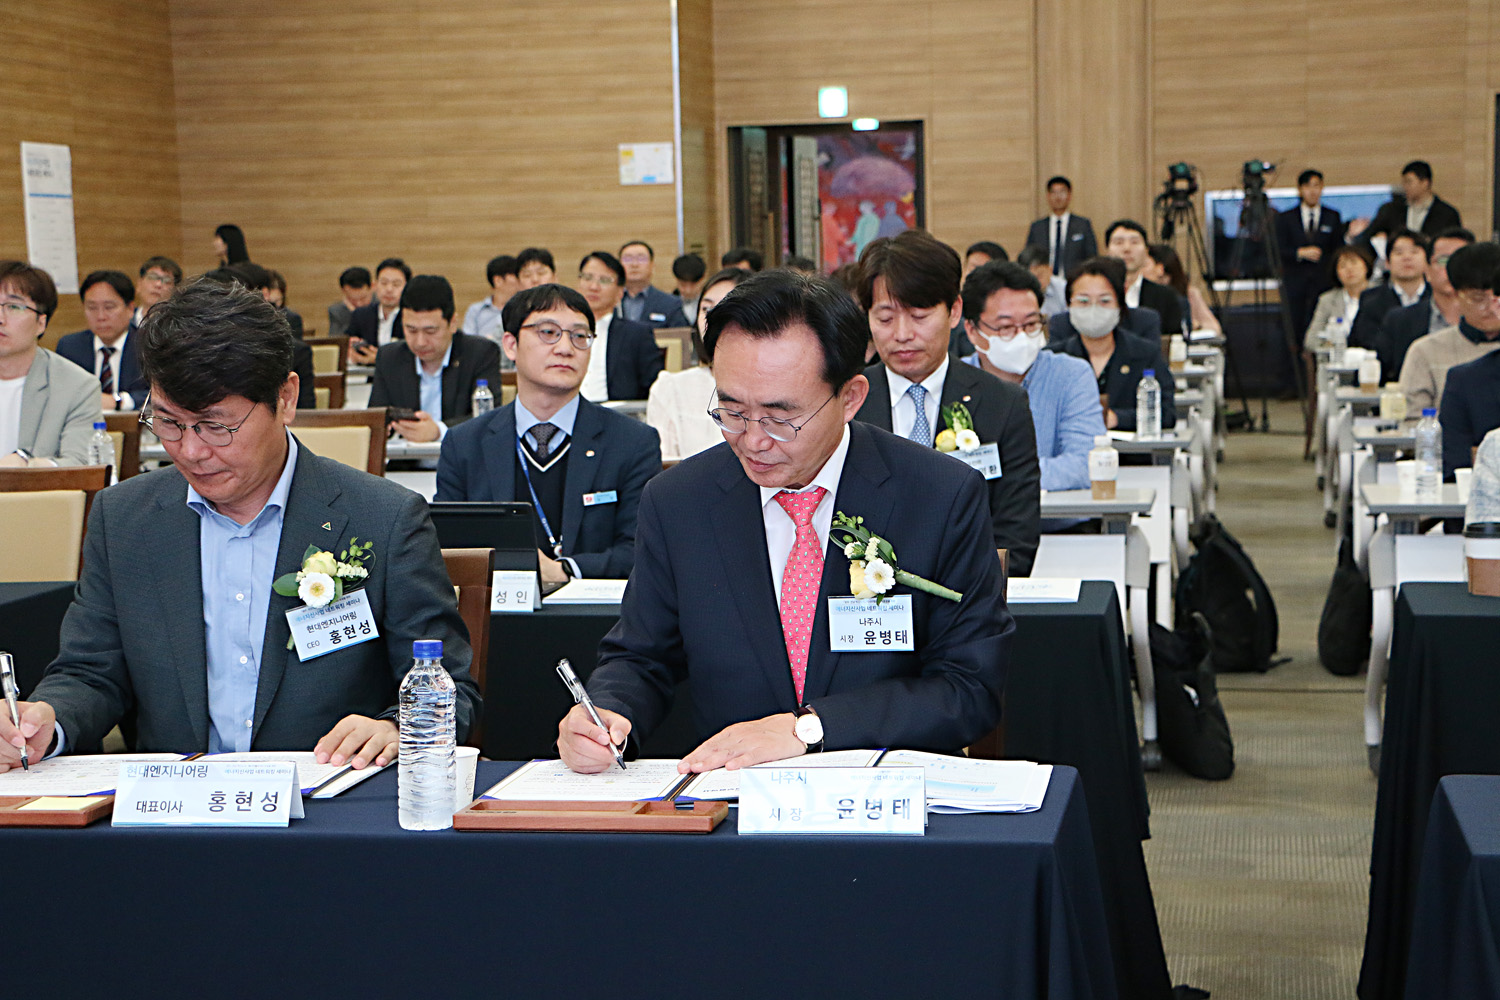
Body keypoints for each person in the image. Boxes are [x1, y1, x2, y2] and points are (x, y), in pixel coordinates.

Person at [0, 279, 479, 768]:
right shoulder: (125, 518)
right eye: (167, 422)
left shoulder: (383, 519)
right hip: (172, 811)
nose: (190, 450)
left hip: (326, 809)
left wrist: (394, 729)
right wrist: (46, 722)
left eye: (216, 426)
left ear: (286, 398)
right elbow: (90, 673)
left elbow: (451, 688)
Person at [558, 269, 1011, 774]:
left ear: (850, 396)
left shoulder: (938, 496)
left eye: (779, 417)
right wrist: (609, 711)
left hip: (885, 797)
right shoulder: (679, 501)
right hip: (733, 803)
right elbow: (642, 656)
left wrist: (808, 728)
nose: (752, 440)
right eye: (731, 410)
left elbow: (968, 688)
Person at [435, 284, 661, 582]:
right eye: (548, 332)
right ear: (511, 345)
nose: (565, 348)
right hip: (495, 618)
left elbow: (642, 551)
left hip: (599, 620)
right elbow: (446, 551)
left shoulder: (633, 442)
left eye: (580, 336)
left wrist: (564, 570)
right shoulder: (464, 444)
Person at [852, 230, 1041, 576]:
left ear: (954, 311)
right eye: (885, 318)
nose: (902, 333)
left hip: (971, 602)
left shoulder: (1004, 404)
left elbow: (1017, 535)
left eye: (919, 316)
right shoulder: (846, 404)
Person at [962, 261, 1104, 491]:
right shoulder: (954, 380)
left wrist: (991, 477)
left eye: (1031, 324)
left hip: (1059, 524)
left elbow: (1085, 464)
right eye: (1006, 327)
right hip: (978, 525)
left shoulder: (1071, 375)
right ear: (972, 331)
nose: (1022, 336)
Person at [368, 275, 502, 443]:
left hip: (463, 464)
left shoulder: (480, 353)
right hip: (403, 465)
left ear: (452, 323)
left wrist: (439, 431)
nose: (420, 342)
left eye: (430, 331)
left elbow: (489, 418)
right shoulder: (389, 357)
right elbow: (375, 418)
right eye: (411, 330)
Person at [1049, 256, 1176, 433]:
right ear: (1069, 304)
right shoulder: (1052, 358)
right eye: (1083, 301)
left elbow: (1168, 414)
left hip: (1131, 457)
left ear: (1120, 304)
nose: (1094, 309)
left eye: (1105, 301)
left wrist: (1117, 418)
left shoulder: (1145, 354)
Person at [0, 261, 101, 467]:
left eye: (14, 306)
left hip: (34, 499)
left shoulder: (77, 387)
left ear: (41, 323)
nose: (0, 318)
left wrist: (29, 465)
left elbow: (80, 464)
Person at [646, 267, 750, 460]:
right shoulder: (670, 388)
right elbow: (665, 467)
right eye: (706, 309)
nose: (712, 319)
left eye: (727, 308)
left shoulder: (775, 387)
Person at [1400, 241, 1500, 415]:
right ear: (1456, 296)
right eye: (1478, 298)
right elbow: (1412, 423)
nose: (1491, 308)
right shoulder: (1425, 351)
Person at [1375, 228, 1472, 383]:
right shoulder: (1399, 321)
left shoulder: (1491, 320)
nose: (1453, 268)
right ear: (1426, 270)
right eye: (1443, 261)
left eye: (1462, 260)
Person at [574, 251, 664, 401]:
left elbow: (654, 389)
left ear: (620, 293)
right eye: (588, 278)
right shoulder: (562, 332)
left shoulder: (637, 335)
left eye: (604, 280)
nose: (594, 286)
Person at [56, 270, 149, 412]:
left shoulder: (149, 345)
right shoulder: (69, 347)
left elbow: (160, 394)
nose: (100, 316)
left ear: (130, 309)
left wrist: (116, 401)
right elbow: (60, 393)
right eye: (92, 308)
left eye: (109, 307)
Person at [1275, 169, 1345, 338]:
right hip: (1294, 281)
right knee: (1294, 328)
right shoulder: (1286, 218)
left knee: (1322, 326)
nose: (1313, 191)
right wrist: (1299, 253)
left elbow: (1338, 249)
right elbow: (1277, 250)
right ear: (1300, 190)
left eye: (1317, 186)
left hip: (1323, 281)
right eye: (1308, 186)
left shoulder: (1332, 216)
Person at [1350, 229, 1430, 351]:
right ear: (1387, 263)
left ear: (1427, 261)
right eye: (1399, 253)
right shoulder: (1370, 300)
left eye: (1414, 252)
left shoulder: (1438, 297)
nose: (1407, 257)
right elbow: (1364, 341)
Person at [1105, 220, 1182, 341]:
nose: (1127, 249)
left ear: (1146, 252)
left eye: (1134, 242)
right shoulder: (1096, 295)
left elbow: (1172, 341)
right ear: (1107, 251)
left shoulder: (1166, 296)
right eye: (1119, 242)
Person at [1353, 160, 1463, 244]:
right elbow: (1366, 238)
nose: (1404, 187)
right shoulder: (1390, 210)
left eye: (1409, 182)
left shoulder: (1447, 214)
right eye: (1403, 183)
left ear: (1425, 183)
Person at [1304, 245, 1374, 351]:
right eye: (1343, 266)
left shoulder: (1381, 295)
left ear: (1366, 266)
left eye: (1354, 263)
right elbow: (1310, 340)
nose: (1349, 269)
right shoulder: (1327, 300)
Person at [1026, 176, 1098, 277]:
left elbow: (1092, 257)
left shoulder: (1083, 225)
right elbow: (1029, 257)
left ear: (1069, 195)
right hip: (1044, 280)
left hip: (1073, 279)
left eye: (1062, 192)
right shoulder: (1037, 227)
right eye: (1053, 192)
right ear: (1048, 196)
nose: (1058, 197)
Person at [1146, 243, 1221, 336]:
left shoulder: (1189, 293)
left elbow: (1215, 328)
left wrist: (1196, 326)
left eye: (1144, 265)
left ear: (1160, 269)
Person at [346, 257, 410, 364]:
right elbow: (347, 343)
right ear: (375, 286)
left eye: (396, 284)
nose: (389, 289)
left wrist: (378, 359)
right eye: (384, 283)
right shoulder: (361, 315)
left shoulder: (412, 317)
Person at [617, 241, 688, 328]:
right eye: (628, 259)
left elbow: (680, 336)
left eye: (641, 259)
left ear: (652, 265)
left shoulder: (671, 304)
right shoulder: (608, 301)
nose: (634, 264)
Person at [460, 255, 520, 345]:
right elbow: (467, 341)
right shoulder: (476, 311)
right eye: (516, 276)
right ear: (498, 280)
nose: (520, 281)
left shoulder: (521, 309)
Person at [1016, 245, 1067, 317]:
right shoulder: (1014, 291)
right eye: (1030, 277)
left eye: (1039, 276)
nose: (1035, 281)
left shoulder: (1063, 288)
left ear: (1050, 270)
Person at [133, 256, 181, 327]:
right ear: (139, 284)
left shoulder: (177, 326)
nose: (158, 284)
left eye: (167, 281)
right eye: (152, 277)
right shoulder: (123, 321)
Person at [327, 266, 372, 340]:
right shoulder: (336, 311)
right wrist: (354, 314)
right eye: (353, 300)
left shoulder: (381, 306)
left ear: (371, 287)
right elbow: (336, 340)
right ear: (343, 291)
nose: (359, 304)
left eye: (363, 298)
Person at [264, 269, 305, 338]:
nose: (274, 307)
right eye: (270, 303)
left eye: (278, 301)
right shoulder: (254, 318)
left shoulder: (293, 319)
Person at [671, 253, 707, 322]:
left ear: (703, 280)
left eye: (693, 285)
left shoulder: (711, 304)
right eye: (683, 285)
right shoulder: (669, 304)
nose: (688, 290)